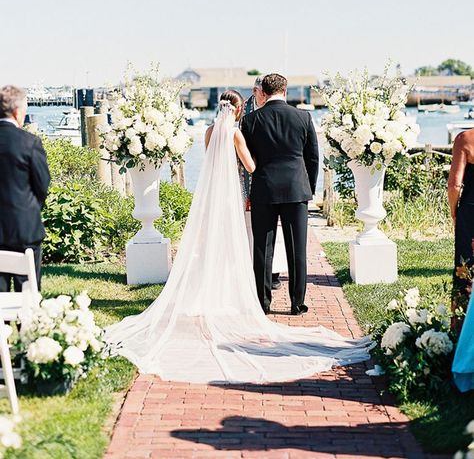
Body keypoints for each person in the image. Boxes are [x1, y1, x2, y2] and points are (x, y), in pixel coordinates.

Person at [106, 90, 370, 383]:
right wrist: (295, 178)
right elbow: (266, 163)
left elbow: (215, 161)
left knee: (247, 246)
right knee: (273, 246)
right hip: (261, 190)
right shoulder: (266, 125)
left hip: (224, 194)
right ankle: (296, 301)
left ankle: (256, 299)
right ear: (237, 108)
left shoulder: (216, 130)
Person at [241, 73, 319, 315]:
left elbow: (248, 159)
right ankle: (297, 303)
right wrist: (309, 188)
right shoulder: (303, 117)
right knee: (297, 249)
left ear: (263, 92)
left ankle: (263, 303)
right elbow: (313, 158)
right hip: (297, 190)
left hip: (264, 188)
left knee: (263, 250)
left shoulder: (251, 120)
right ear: (285, 91)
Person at [0, 85, 50, 290]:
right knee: (28, 292)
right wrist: (28, 207)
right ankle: (26, 323)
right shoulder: (30, 142)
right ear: (17, 112)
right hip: (25, 228)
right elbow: (42, 184)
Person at [241, 76, 287, 291]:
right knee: (255, 230)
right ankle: (253, 271)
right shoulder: (245, 114)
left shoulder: (271, 110)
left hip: (272, 181)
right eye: (261, 92)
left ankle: (273, 271)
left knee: (271, 233)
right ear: (255, 91)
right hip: (250, 178)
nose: (264, 96)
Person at [448, 129, 474, 323]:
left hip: (470, 211)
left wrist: (454, 211)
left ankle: (461, 324)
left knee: (465, 268)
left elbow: (454, 185)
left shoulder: (465, 139)